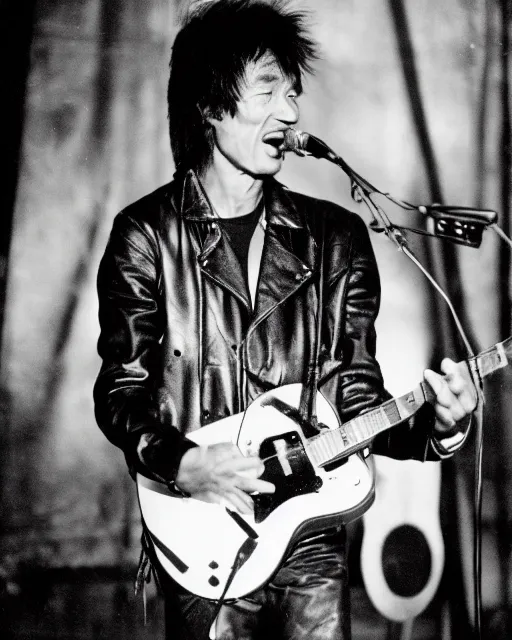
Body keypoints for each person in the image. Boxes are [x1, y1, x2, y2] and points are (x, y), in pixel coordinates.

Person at [93, 1, 477, 638]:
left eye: (293, 93)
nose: (291, 114)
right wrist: (183, 462)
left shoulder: (337, 238)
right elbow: (120, 393)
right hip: (203, 530)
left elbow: (356, 401)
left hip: (310, 537)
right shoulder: (145, 236)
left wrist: (439, 429)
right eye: (268, 90)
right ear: (211, 106)